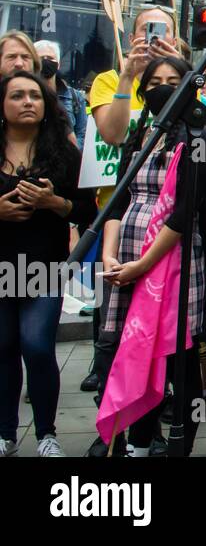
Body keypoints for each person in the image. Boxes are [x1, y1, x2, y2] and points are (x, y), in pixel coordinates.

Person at [98, 55, 206, 457]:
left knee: (176, 355)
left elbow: (186, 212)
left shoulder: (198, 138)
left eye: (174, 81)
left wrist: (144, 265)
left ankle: (182, 442)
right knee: (133, 349)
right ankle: (138, 439)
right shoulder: (142, 134)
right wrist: (111, 256)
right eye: (155, 82)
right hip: (127, 254)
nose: (163, 89)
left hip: (172, 261)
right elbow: (116, 201)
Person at [0, 71, 94, 457]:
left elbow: (89, 210)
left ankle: (46, 434)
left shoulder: (64, 154)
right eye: (17, 95)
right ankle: (6, 433)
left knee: (37, 347)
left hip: (45, 268)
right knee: (3, 347)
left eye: (35, 96)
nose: (27, 102)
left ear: (46, 106)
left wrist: (55, 204)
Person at [88, 7, 181, 149]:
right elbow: (113, 136)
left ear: (174, 42)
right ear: (131, 39)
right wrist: (127, 77)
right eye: (147, 29)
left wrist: (182, 71)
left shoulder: (184, 82)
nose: (155, 37)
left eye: (163, 30)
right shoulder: (108, 81)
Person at [33, 40, 86, 151]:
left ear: (58, 64)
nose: (46, 61)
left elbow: (82, 133)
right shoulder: (27, 97)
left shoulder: (75, 97)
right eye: (41, 58)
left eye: (50, 58)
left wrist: (71, 154)